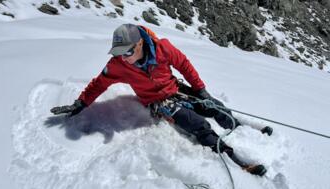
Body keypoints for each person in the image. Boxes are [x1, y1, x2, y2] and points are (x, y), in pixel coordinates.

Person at [51, 24, 271, 176]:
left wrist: (201, 90)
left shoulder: (163, 48)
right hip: (158, 102)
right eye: (118, 53)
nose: (122, 57)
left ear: (139, 44)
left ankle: (243, 131)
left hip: (176, 90)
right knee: (197, 123)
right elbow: (99, 83)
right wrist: (81, 103)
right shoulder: (118, 65)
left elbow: (184, 64)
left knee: (215, 108)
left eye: (126, 52)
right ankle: (234, 159)